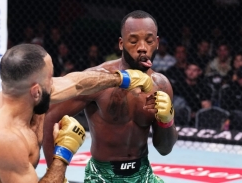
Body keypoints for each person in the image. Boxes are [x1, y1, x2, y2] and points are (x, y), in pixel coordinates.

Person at [0, 43, 153, 183]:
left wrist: (121, 79)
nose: (55, 83)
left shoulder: (23, 96)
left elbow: (76, 82)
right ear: (36, 91)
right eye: (50, 78)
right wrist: (63, 153)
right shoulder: (5, 138)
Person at [43, 10, 178, 183]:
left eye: (149, 41)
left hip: (143, 174)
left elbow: (164, 149)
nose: (142, 47)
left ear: (157, 43)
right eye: (133, 41)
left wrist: (167, 121)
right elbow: (50, 117)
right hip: (101, 176)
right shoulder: (97, 81)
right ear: (121, 44)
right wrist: (55, 175)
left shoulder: (161, 85)